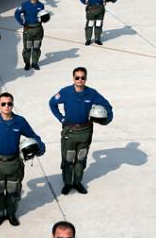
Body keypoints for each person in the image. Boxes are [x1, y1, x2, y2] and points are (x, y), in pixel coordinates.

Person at [0, 92, 45, 227]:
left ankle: (11, 213)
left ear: (12, 104)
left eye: (9, 103)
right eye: (3, 104)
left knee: (14, 190)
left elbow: (33, 136)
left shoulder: (20, 121)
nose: (6, 106)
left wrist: (40, 147)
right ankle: (0, 214)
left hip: (14, 163)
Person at [48, 67, 113, 195]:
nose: (80, 80)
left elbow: (107, 105)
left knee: (81, 158)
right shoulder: (66, 92)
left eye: (82, 77)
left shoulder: (91, 93)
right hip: (70, 132)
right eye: (77, 77)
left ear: (86, 79)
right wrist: (61, 118)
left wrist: (107, 118)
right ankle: (67, 183)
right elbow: (52, 103)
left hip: (85, 131)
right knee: (68, 158)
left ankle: (77, 182)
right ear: (73, 78)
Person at [14, 0, 47, 70]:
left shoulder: (41, 5)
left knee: (36, 47)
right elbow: (17, 13)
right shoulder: (24, 5)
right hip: (28, 29)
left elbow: (43, 16)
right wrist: (22, 22)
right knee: (27, 47)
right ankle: (27, 63)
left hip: (38, 29)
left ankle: (35, 63)